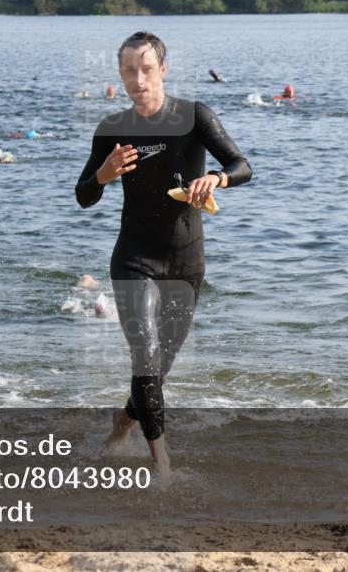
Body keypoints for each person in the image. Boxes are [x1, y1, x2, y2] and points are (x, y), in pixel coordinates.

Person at [76, 32, 251, 475]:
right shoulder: (112, 129)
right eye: (129, 71)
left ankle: (125, 420)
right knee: (146, 355)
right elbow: (83, 196)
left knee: (160, 366)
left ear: (163, 70)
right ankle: (163, 466)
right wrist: (104, 172)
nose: (138, 79)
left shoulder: (194, 117)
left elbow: (242, 166)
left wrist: (216, 179)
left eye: (147, 69)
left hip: (185, 260)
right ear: (120, 75)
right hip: (134, 257)